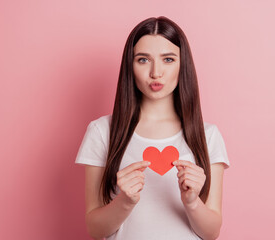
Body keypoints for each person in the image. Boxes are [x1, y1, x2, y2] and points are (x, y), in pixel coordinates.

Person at [75, 16, 230, 240]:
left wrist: (192, 202)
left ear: (182, 64)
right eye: (143, 60)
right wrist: (124, 202)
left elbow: (212, 232)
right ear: (130, 65)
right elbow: (95, 230)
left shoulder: (208, 136)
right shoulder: (102, 131)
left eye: (168, 59)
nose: (156, 73)